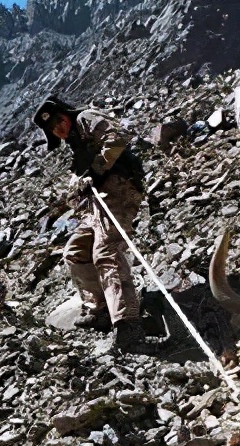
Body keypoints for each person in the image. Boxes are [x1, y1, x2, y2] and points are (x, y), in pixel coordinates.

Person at [32, 95, 156, 353]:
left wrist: (97, 169)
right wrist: (77, 187)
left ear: (66, 115)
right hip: (95, 203)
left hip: (120, 189)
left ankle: (128, 322)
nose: (59, 128)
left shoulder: (86, 119)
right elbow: (79, 178)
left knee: (106, 251)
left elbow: (117, 137)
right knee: (75, 253)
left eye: (59, 121)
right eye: (53, 128)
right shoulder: (75, 146)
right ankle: (98, 308)